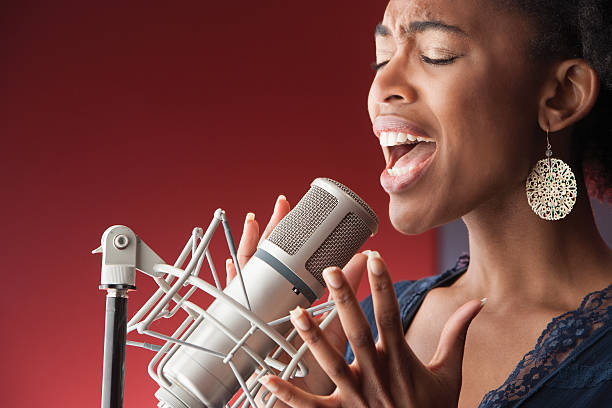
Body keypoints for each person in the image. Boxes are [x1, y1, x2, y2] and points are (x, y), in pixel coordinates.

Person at [227, 0, 612, 406]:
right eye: (382, 58)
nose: (383, 86)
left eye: (436, 54)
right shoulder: (359, 332)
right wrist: (267, 391)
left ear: (562, 96)